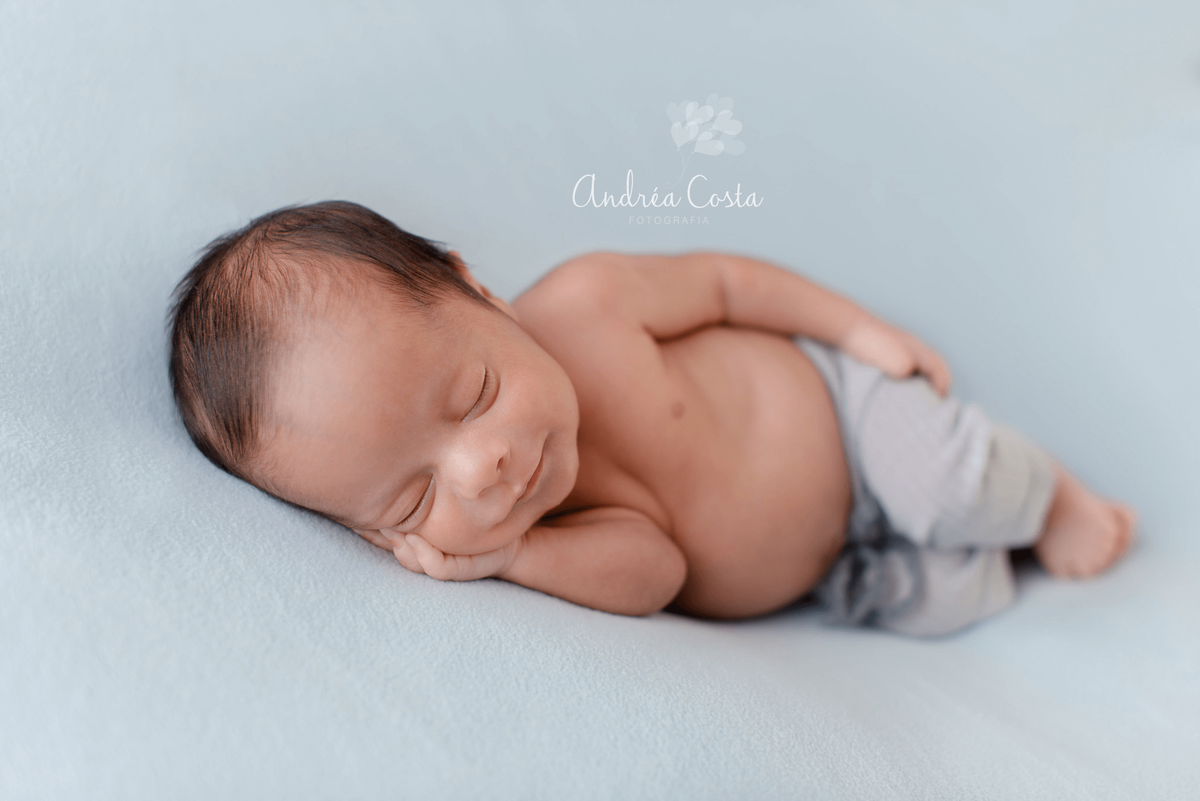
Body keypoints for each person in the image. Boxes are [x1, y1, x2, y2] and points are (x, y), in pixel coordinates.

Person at [167, 201, 1136, 636]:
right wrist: (514, 560)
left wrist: (860, 332)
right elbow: (661, 571)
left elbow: (723, 282)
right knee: (943, 607)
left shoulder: (588, 303)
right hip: (839, 572)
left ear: (477, 290)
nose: (483, 469)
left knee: (947, 484)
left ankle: (1047, 497)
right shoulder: (543, 531)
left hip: (850, 421)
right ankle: (994, 553)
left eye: (473, 399)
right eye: (416, 498)